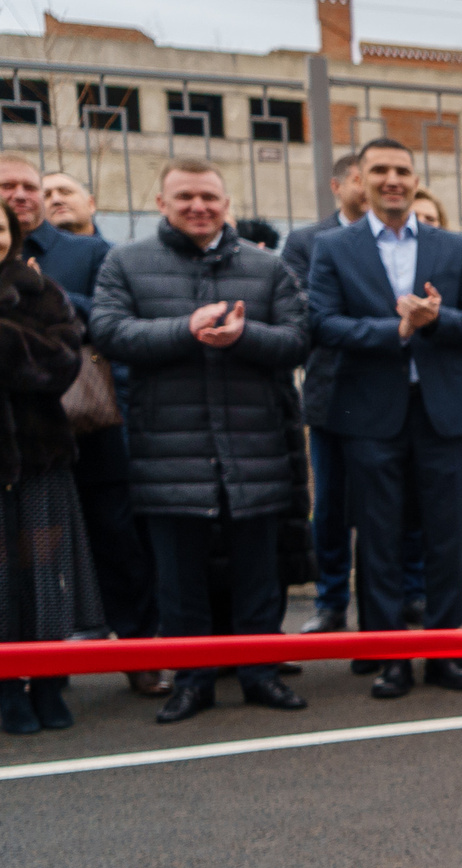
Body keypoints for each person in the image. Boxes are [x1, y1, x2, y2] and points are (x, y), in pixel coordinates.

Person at [90, 160, 312, 724]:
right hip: (168, 450)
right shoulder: (126, 262)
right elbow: (110, 332)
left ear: (226, 201)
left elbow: (298, 340)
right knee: (178, 580)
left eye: (209, 196)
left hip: (253, 447)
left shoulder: (266, 267)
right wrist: (185, 329)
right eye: (185, 196)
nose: (198, 206)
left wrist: (244, 336)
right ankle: (191, 681)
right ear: (161, 202)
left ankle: (262, 674)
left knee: (258, 574)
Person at [304, 135, 462, 699]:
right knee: (380, 540)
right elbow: (322, 325)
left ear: (414, 180)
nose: (393, 179)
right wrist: (396, 330)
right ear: (359, 179)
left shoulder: (452, 246)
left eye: (403, 170)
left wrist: (435, 320)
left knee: (444, 539)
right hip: (369, 414)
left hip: (445, 415)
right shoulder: (334, 248)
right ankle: (390, 655)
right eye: (380, 170)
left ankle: (444, 651)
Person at [6, 157, 160, 694]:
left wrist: (47, 296)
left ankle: (141, 654)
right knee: (29, 553)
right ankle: (44, 668)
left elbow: (115, 320)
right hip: (17, 437)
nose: (25, 194)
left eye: (32, 185)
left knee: (115, 539)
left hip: (89, 423)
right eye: (12, 186)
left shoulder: (88, 252)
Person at [0, 201, 97, 734]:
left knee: (44, 574)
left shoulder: (42, 291)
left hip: (40, 459)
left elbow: (63, 361)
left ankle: (51, 680)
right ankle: (7, 686)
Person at [284, 152, 385, 637]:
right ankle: (330, 601)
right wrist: (389, 324)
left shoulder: (403, 240)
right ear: (340, 184)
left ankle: (387, 608)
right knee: (330, 507)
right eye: (361, 179)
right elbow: (312, 315)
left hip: (387, 397)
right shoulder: (308, 242)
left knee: (382, 510)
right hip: (333, 393)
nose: (372, 186)